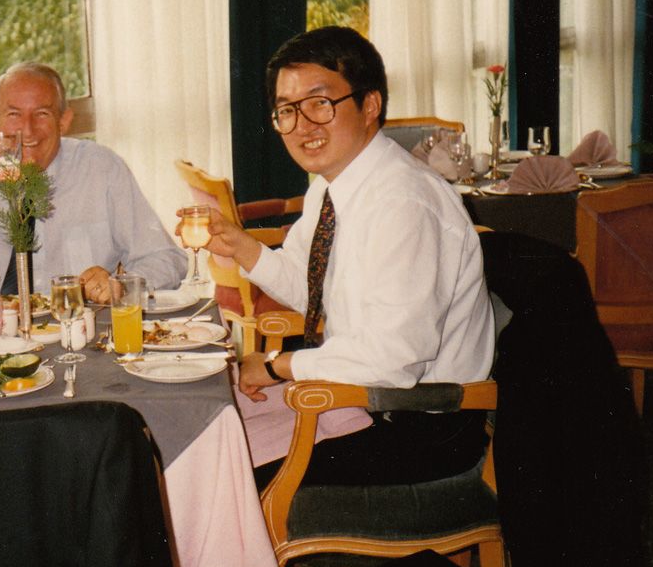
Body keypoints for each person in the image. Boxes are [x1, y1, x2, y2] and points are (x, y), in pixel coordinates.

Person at [201, 27, 495, 487]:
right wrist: (243, 247)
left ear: (370, 104)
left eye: (320, 103)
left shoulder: (404, 204)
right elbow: (310, 289)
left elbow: (394, 358)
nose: (302, 126)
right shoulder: (331, 188)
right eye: (287, 110)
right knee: (206, 434)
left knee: (221, 479)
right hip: (358, 396)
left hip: (416, 426)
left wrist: (278, 365)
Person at [0, 62, 186, 301]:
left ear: (64, 121)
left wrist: (120, 285)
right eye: (13, 114)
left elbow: (166, 259)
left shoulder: (101, 168)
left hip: (80, 334)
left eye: (42, 114)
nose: (27, 129)